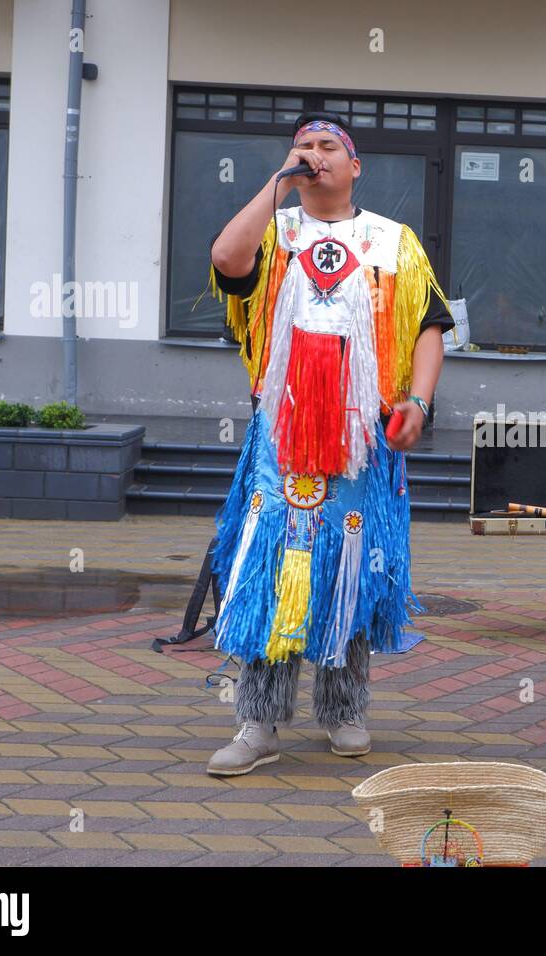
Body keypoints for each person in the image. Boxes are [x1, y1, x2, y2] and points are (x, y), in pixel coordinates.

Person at [203, 112, 452, 775]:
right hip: (281, 438)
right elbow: (227, 259)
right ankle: (257, 721)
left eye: (327, 146)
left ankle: (346, 709)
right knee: (273, 564)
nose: (313, 154)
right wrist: (275, 188)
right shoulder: (275, 231)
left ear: (356, 166)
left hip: (362, 435)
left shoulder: (391, 240)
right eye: (302, 146)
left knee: (352, 560)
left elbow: (430, 324)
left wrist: (418, 403)